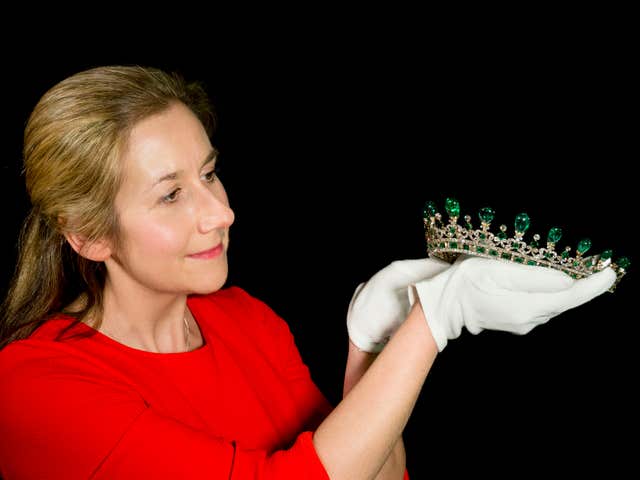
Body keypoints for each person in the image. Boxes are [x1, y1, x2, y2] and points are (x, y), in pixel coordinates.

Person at [0, 65, 615, 479]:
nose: (221, 212)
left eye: (209, 174)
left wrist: (370, 348)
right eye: (170, 195)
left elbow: (379, 472)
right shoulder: (34, 386)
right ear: (89, 235)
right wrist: (432, 322)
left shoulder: (247, 319)